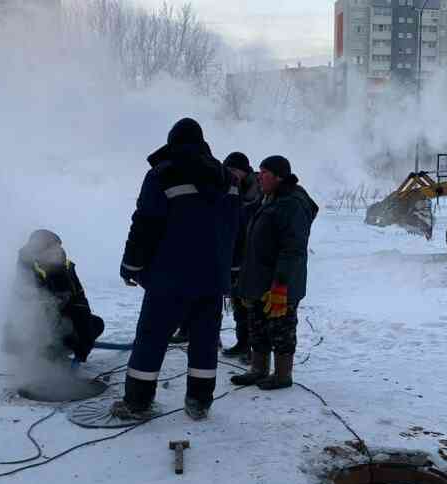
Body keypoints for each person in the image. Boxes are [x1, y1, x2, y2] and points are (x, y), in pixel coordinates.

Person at [113, 117, 240, 420]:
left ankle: (137, 403)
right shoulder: (228, 180)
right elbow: (236, 230)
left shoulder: (162, 175)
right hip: (212, 279)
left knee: (152, 338)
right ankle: (199, 403)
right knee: (205, 342)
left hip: (170, 278)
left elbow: (145, 224)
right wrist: (230, 271)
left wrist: (131, 265)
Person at [231, 155, 318, 390]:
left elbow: (292, 250)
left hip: (280, 282)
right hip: (260, 280)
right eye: (259, 172)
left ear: (279, 176)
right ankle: (258, 369)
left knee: (281, 328)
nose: (259, 176)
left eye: (265, 172)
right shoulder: (268, 198)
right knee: (257, 325)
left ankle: (282, 375)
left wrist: (281, 285)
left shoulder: (292, 203)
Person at [3, 229, 104, 364]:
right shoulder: (26, 272)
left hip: (60, 324)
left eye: (58, 248)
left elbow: (80, 305)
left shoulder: (67, 270)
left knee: (95, 324)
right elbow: (21, 312)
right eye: (51, 249)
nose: (57, 252)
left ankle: (60, 350)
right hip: (36, 332)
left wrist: (85, 340)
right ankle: (41, 357)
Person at [221, 151, 262, 363]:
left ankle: (254, 350)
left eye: (234, 170)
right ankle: (242, 342)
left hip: (252, 255)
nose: (231, 174)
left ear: (245, 171)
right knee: (238, 303)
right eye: (228, 170)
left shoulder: (259, 191)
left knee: (252, 306)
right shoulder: (227, 187)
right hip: (234, 254)